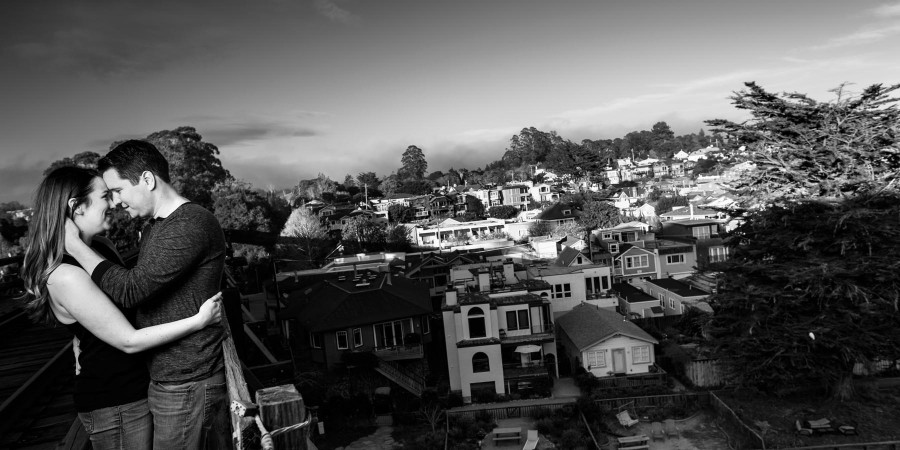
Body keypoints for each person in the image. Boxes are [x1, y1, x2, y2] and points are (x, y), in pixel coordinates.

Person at [22, 166, 223, 450]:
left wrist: (79, 346)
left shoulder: (101, 247)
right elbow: (128, 341)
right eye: (105, 196)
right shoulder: (64, 274)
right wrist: (199, 321)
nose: (113, 203)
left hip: (140, 388)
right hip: (115, 403)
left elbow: (120, 299)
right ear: (76, 207)